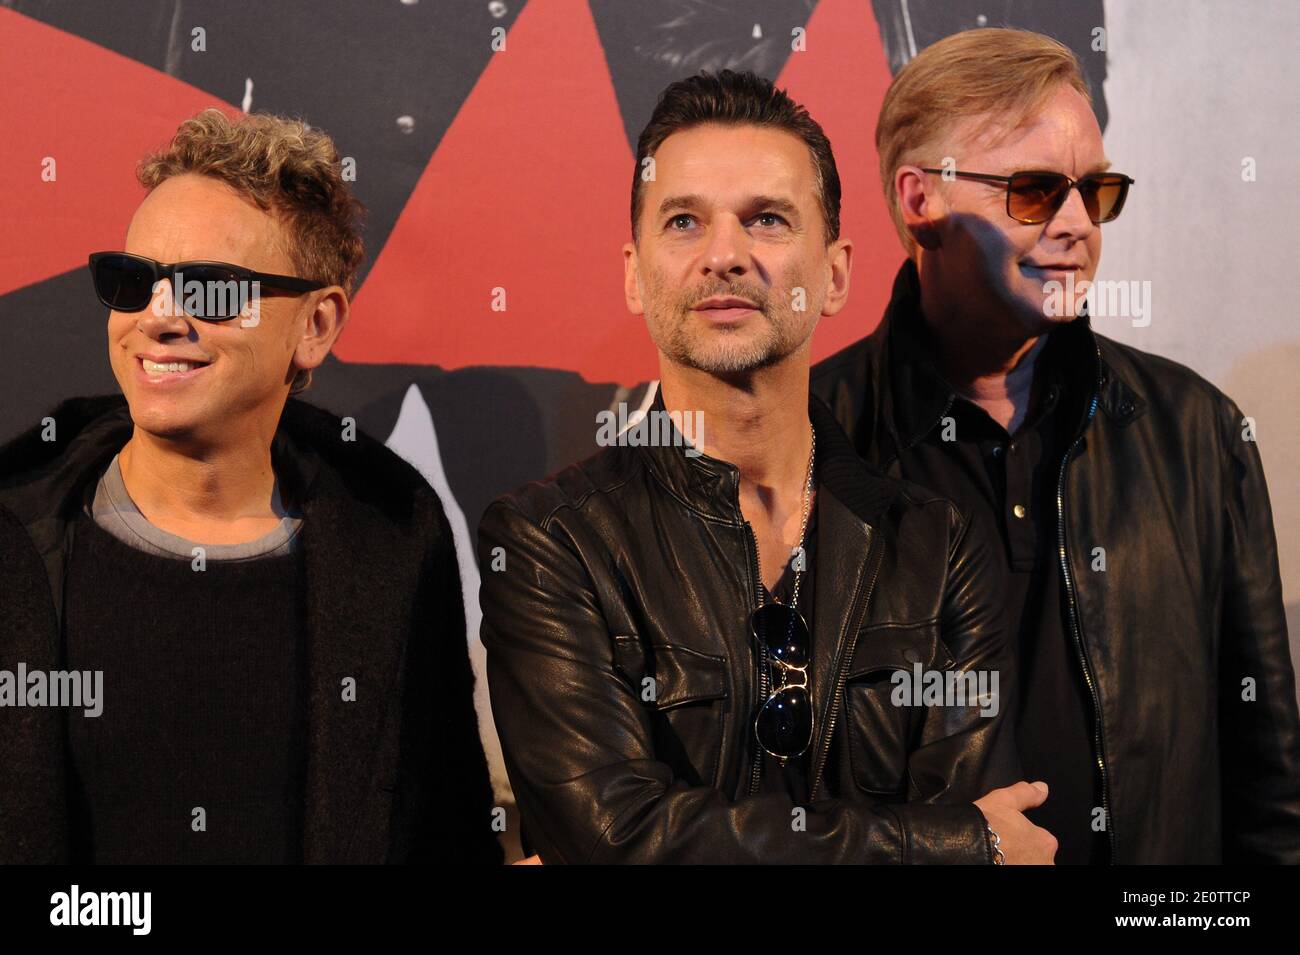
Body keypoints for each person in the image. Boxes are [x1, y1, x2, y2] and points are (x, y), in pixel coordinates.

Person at [479, 70, 1057, 864]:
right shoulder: (551, 544)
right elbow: (616, 837)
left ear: (837, 274)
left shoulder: (939, 545)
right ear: (633, 273)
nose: (725, 255)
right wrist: (955, 844)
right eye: (683, 221)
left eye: (768, 219)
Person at [812, 28, 1300, 863]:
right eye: (1036, 192)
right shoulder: (811, 436)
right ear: (919, 199)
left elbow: (1267, 782)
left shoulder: (1198, 432)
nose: (1079, 226)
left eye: (1096, 191)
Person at [0, 108, 502, 864]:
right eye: (134, 282)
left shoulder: (395, 536)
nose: (160, 317)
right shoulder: (13, 532)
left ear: (317, 324)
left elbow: (448, 832)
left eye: (209, 290)